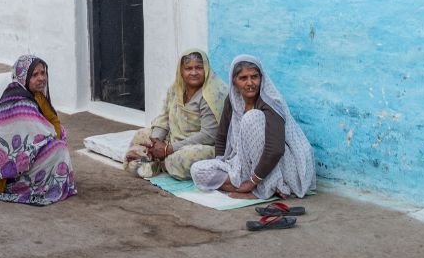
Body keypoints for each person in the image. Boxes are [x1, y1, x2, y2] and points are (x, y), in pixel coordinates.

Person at [191, 55, 316, 199]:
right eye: (243, 78)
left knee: (252, 118)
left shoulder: (270, 102)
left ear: (261, 78)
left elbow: (275, 149)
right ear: (234, 81)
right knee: (197, 171)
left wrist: (252, 181)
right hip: (242, 163)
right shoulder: (233, 100)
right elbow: (222, 136)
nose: (250, 83)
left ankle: (264, 188)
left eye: (254, 77)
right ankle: (248, 188)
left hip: (281, 165)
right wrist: (221, 162)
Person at [0, 55, 77, 206]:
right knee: (58, 149)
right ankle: (20, 186)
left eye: (43, 73)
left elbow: (53, 122)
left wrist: (56, 136)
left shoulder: (37, 96)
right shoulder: (20, 102)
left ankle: (45, 180)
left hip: (24, 157)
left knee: (58, 145)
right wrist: (54, 139)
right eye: (35, 75)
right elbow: (39, 133)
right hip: (2, 177)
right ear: (23, 77)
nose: (41, 78)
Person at [124, 49, 228, 179]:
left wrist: (169, 149)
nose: (194, 72)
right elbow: (164, 117)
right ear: (181, 71)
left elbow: (209, 135)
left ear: (206, 69)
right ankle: (153, 158)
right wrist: (154, 143)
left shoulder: (212, 95)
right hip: (173, 139)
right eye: (188, 68)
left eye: (199, 68)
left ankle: (154, 162)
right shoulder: (175, 89)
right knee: (141, 135)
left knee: (183, 159)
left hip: (201, 146)